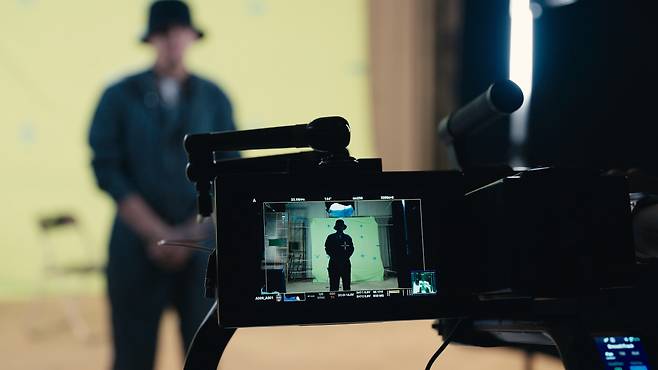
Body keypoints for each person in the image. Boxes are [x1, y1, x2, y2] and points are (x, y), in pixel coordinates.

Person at [88, 1, 237, 369]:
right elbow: (108, 170)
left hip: (201, 248)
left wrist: (194, 230)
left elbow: (232, 173)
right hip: (136, 245)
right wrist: (155, 231)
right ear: (152, 38)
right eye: (164, 32)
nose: (172, 40)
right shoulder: (118, 97)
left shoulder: (214, 98)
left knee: (202, 353)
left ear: (191, 36)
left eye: (178, 31)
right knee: (132, 354)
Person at [324, 219, 355, 291]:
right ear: (336, 228)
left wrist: (346, 257)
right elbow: (327, 248)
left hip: (345, 263)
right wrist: (334, 257)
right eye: (339, 227)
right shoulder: (330, 237)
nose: (340, 228)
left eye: (341, 227)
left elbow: (351, 248)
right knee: (334, 285)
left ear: (343, 228)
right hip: (334, 263)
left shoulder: (348, 237)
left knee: (347, 285)